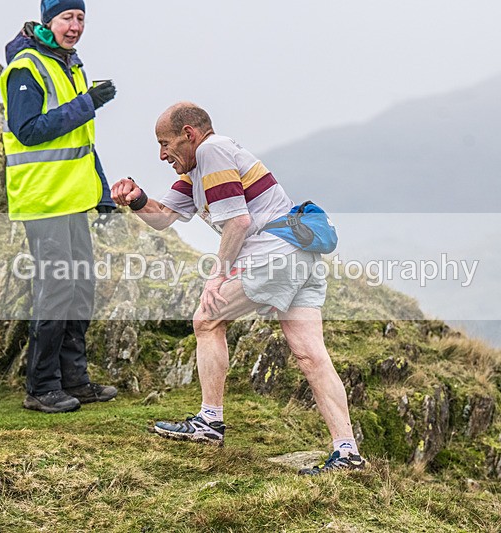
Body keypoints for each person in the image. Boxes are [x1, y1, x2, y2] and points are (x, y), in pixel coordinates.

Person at [111, 103, 366, 474]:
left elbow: (238, 222)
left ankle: (209, 422)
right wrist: (135, 199)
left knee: (207, 320)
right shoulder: (198, 168)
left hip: (274, 253)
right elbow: (163, 217)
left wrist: (217, 276)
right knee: (311, 355)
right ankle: (347, 453)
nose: (161, 154)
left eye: (165, 144)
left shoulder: (211, 151)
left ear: (189, 135)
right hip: (301, 254)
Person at [0, 0, 118, 413]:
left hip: (72, 199)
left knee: (81, 287)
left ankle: (75, 381)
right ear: (48, 21)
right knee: (56, 290)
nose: (75, 25)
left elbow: (81, 142)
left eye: (81, 18)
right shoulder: (27, 67)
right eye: (68, 17)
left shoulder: (71, 66)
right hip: (43, 200)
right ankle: (41, 387)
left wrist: (101, 190)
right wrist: (88, 102)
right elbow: (28, 130)